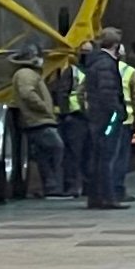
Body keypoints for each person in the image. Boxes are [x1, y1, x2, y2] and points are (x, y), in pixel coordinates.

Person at [81, 27, 132, 210]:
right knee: (107, 158)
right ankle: (108, 197)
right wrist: (118, 112)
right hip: (107, 117)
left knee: (97, 157)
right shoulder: (106, 64)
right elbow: (107, 92)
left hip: (97, 116)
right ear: (116, 46)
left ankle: (95, 197)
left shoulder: (95, 62)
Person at [9, 42, 66, 198]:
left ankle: (50, 187)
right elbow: (27, 94)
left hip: (37, 121)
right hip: (39, 120)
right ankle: (53, 187)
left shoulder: (27, 74)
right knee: (56, 149)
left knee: (44, 155)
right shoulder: (26, 74)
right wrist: (44, 108)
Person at [111, 36, 135, 204]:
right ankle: (118, 191)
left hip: (103, 121)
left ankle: (102, 190)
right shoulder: (129, 72)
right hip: (124, 122)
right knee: (120, 159)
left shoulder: (97, 69)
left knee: (104, 157)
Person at [50, 46, 90, 198]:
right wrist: (66, 113)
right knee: (73, 154)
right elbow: (62, 92)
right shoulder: (73, 71)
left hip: (90, 118)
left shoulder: (94, 70)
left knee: (88, 154)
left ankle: (85, 185)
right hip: (76, 117)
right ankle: (72, 185)